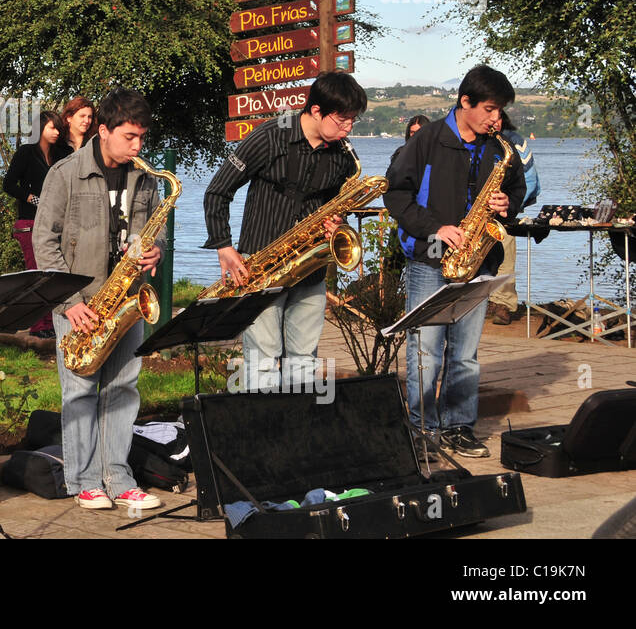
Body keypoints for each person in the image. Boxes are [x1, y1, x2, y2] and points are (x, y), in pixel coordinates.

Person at [384, 64, 526, 458]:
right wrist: (436, 228)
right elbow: (396, 195)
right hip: (429, 259)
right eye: (490, 110)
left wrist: (507, 204)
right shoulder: (427, 139)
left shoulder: (500, 146)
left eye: (500, 111)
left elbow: (518, 189)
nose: (497, 119)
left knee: (465, 353)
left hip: (477, 261)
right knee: (425, 349)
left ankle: (460, 426)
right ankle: (422, 430)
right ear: (465, 102)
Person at [33, 87, 163, 514]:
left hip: (125, 299)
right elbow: (43, 242)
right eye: (129, 136)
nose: (138, 146)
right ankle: (85, 481)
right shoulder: (66, 173)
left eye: (142, 137)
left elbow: (151, 232)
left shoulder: (143, 177)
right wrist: (69, 302)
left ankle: (119, 477)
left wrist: (153, 251)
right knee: (80, 391)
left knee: (124, 388)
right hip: (81, 303)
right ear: (103, 131)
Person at [202, 71, 368, 392]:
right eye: (342, 120)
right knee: (263, 359)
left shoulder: (342, 154)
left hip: (311, 270)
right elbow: (217, 191)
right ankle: (262, 435)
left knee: (304, 360)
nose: (348, 128)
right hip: (261, 266)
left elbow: (337, 204)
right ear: (316, 111)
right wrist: (224, 246)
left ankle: (298, 431)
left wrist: (338, 223)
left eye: (352, 121)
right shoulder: (269, 136)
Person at [2, 109, 66, 337]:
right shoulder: (26, 153)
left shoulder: (61, 154)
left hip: (53, 223)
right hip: (29, 221)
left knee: (52, 274)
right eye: (51, 127)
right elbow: (8, 184)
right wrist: (34, 199)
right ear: (39, 129)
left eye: (59, 127)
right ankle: (38, 326)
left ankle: (50, 324)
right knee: (37, 273)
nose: (56, 132)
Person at [488, 110, 540, 325]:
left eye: (498, 117)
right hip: (475, 212)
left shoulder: (515, 141)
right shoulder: (475, 141)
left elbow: (530, 180)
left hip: (503, 213)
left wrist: (510, 204)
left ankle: (504, 304)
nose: (494, 122)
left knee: (505, 259)